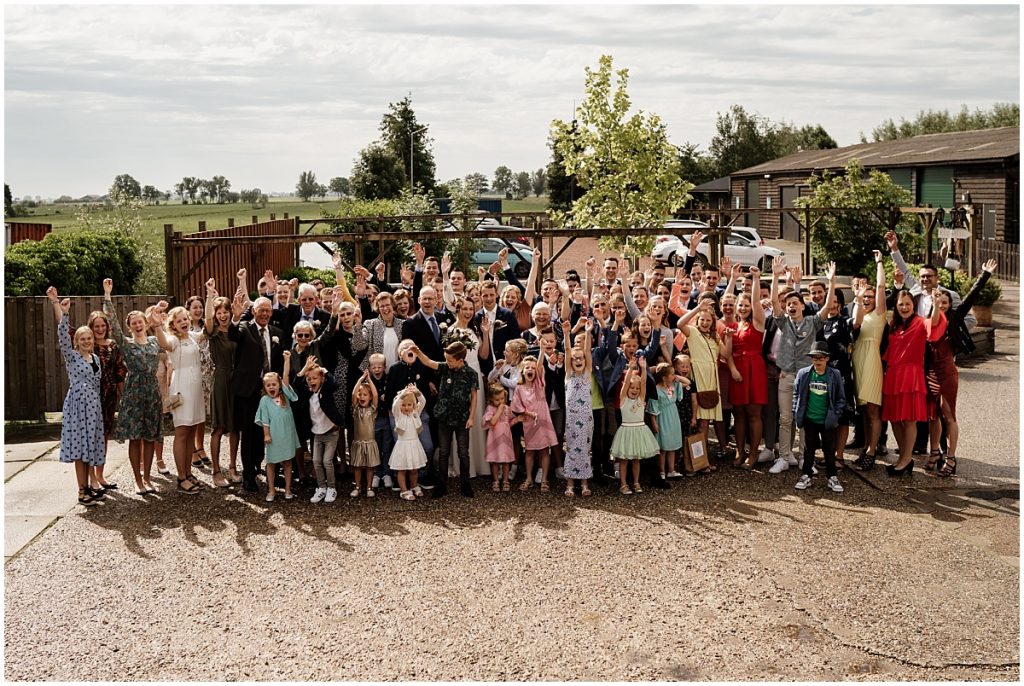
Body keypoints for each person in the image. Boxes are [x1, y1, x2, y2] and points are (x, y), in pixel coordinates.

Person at [925, 259, 998, 477]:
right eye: (939, 302)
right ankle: (935, 452)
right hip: (930, 373)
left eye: (945, 302)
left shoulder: (955, 319)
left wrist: (984, 275)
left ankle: (951, 458)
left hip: (947, 372)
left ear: (950, 305)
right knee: (933, 415)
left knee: (949, 415)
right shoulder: (929, 320)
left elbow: (971, 297)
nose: (942, 305)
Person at [766, 257, 836, 475]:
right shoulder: (782, 322)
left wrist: (831, 281)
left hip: (807, 377)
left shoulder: (813, 322)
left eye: (795, 303)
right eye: (788, 304)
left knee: (806, 420)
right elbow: (774, 302)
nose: (791, 306)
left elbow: (827, 307)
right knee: (785, 419)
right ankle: (784, 457)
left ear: (803, 306)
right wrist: (775, 276)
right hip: (786, 376)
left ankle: (807, 458)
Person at [47, 287, 106, 506]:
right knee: (81, 449)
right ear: (77, 341)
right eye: (82, 338)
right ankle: (82, 490)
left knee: (90, 446)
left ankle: (89, 486)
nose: (87, 341)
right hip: (78, 406)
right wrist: (60, 308)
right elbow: (63, 336)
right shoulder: (71, 357)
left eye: (89, 338)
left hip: (93, 407)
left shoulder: (96, 359)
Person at [105, 284, 163, 495]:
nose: (138, 325)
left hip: (152, 391)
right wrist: (107, 295)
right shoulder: (127, 344)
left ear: (146, 323)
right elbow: (112, 322)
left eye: (140, 322)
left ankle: (147, 478)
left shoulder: (155, 341)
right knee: (136, 438)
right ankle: (138, 480)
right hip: (134, 392)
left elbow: (170, 339)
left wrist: (159, 316)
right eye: (134, 323)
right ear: (130, 327)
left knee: (150, 437)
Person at [229, 285, 286, 494]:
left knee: (271, 432)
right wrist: (235, 317)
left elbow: (279, 362)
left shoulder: (278, 333)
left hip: (270, 391)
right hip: (248, 390)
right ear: (253, 311)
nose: (264, 314)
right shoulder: (244, 328)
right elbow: (232, 335)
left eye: (268, 311)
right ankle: (248, 476)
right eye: (261, 310)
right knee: (250, 433)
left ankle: (267, 468)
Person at [151, 296, 211, 495]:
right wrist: (157, 326)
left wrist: (210, 297)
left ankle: (189, 473)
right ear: (173, 325)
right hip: (181, 388)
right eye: (179, 320)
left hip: (196, 388)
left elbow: (208, 329)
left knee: (192, 430)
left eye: (185, 318)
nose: (184, 322)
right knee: (182, 432)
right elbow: (163, 342)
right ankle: (181, 477)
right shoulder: (173, 340)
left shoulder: (192, 336)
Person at [883, 284, 942, 476]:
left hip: (911, 375)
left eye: (908, 304)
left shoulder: (920, 322)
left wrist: (936, 304)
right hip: (893, 375)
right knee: (894, 419)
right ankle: (904, 457)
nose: (904, 307)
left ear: (913, 305)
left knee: (908, 420)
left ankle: (906, 458)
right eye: (901, 304)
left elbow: (934, 323)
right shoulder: (894, 325)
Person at [410, 341, 479, 499]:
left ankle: (465, 484)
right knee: (443, 452)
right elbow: (429, 362)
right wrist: (418, 351)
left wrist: (471, 417)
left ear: (460, 360)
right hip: (444, 417)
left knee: (463, 452)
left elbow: (474, 397)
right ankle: (441, 485)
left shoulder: (471, 374)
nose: (447, 362)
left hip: (462, 418)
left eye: (450, 360)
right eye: (446, 359)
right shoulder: (445, 368)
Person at [444, 295, 491, 478]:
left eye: (471, 309)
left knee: (477, 416)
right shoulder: (451, 332)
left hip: (475, 374)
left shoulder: (474, 330)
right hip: (459, 378)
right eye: (465, 308)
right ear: (458, 309)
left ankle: (480, 464)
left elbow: (484, 355)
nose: (468, 312)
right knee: (462, 419)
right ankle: (464, 467)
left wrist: (485, 333)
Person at [726, 267, 768, 469]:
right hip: (737, 369)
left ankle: (753, 453)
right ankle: (739, 450)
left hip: (754, 369)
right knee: (739, 413)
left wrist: (757, 279)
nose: (743, 308)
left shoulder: (757, 323)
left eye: (746, 305)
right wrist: (733, 369)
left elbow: (757, 302)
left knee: (754, 414)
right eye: (740, 305)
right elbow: (727, 352)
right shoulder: (733, 327)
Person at [792, 342, 846, 493]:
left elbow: (841, 398)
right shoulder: (804, 374)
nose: (818, 361)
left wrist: (835, 414)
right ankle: (806, 475)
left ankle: (832, 477)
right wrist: (796, 411)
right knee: (809, 449)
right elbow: (796, 393)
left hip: (827, 420)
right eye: (814, 357)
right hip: (810, 419)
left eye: (821, 357)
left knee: (829, 449)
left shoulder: (834, 374)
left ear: (827, 358)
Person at [850, 254, 888, 471]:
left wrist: (879, 263)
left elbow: (881, 286)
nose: (867, 299)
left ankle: (872, 451)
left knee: (873, 410)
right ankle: (866, 447)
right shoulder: (858, 314)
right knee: (863, 410)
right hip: (857, 360)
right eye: (864, 296)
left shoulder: (879, 315)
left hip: (872, 361)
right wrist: (858, 298)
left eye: (871, 297)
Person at [86, 288, 126, 488]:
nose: (100, 329)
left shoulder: (113, 346)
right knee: (90, 436)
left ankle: (100, 475)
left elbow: (120, 372)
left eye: (103, 325)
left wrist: (122, 395)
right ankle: (91, 478)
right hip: (92, 395)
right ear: (91, 328)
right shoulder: (87, 345)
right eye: (96, 326)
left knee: (103, 436)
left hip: (109, 396)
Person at [295, 356, 344, 504]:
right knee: (316, 461)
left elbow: (334, 383)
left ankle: (331, 487)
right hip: (317, 433)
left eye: (315, 378)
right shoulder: (308, 393)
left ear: (322, 379)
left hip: (331, 432)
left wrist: (323, 370)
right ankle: (321, 487)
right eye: (309, 379)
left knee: (327, 461)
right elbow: (296, 384)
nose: (312, 381)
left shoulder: (326, 390)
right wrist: (305, 369)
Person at [609, 357, 661, 494]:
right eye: (632, 387)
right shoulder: (623, 399)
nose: (635, 390)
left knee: (636, 460)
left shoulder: (641, 399)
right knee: (624, 460)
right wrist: (631, 369)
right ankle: (623, 484)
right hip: (626, 431)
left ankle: (636, 482)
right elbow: (626, 383)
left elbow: (643, 383)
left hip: (639, 431)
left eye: (637, 388)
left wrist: (643, 368)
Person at [204, 285, 239, 487]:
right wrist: (210, 296)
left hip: (237, 379)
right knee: (219, 427)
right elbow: (207, 319)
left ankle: (233, 467)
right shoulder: (214, 332)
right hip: (221, 378)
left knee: (235, 427)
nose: (223, 315)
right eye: (220, 312)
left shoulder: (236, 330)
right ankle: (216, 471)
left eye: (226, 311)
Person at [255, 351, 300, 501]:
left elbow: (285, 375)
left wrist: (287, 360)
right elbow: (264, 420)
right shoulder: (264, 401)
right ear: (265, 387)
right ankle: (271, 490)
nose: (271, 387)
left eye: (274, 384)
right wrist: (266, 434)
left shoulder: (285, 396)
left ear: (279, 385)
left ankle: (288, 489)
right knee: (271, 463)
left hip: (287, 435)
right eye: (268, 385)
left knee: (287, 462)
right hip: (273, 437)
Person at [510, 355, 560, 493]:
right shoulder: (519, 388)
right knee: (530, 451)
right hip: (529, 423)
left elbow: (539, 367)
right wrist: (528, 413)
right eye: (527, 367)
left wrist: (542, 350)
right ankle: (529, 479)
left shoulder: (539, 385)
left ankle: (544, 479)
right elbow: (516, 405)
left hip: (543, 422)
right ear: (522, 371)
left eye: (533, 368)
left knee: (544, 450)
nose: (530, 370)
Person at [562, 318, 595, 496]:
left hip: (586, 420)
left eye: (580, 358)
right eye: (574, 359)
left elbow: (587, 351)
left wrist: (588, 332)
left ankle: (584, 483)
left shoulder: (587, 374)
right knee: (572, 448)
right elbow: (568, 351)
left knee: (585, 450)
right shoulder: (569, 375)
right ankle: (569, 483)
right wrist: (567, 333)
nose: (577, 360)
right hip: (572, 421)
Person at [390, 386, 428, 501]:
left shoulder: (415, 412)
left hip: (414, 445)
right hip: (403, 446)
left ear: (413, 405)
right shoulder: (398, 414)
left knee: (414, 469)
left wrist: (417, 392)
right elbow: (395, 406)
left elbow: (423, 401)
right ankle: (404, 491)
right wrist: (402, 395)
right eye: (403, 405)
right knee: (402, 470)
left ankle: (414, 486)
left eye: (409, 405)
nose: (406, 407)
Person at [648, 362, 684, 483]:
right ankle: (662, 471)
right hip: (663, 419)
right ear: (664, 378)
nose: (674, 376)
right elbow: (652, 410)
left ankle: (671, 470)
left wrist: (677, 380)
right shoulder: (656, 391)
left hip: (673, 418)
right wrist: (654, 423)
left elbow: (686, 385)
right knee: (663, 447)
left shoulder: (672, 387)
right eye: (672, 374)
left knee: (672, 446)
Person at [348, 372, 381, 498]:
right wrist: (361, 379)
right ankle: (357, 486)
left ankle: (369, 487)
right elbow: (353, 394)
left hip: (369, 442)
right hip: (358, 442)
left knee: (369, 467)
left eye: (365, 395)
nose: (362, 397)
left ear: (370, 397)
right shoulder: (355, 409)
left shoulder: (372, 410)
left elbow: (376, 394)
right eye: (360, 394)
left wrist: (370, 380)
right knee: (357, 466)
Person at [483, 382, 518, 492]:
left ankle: (506, 481)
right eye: (497, 400)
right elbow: (492, 421)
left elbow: (509, 422)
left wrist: (517, 419)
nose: (500, 402)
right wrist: (499, 410)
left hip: (505, 438)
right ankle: (496, 481)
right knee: (495, 461)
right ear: (491, 399)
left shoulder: (507, 408)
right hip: (495, 438)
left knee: (506, 461)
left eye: (502, 398)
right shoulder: (490, 409)